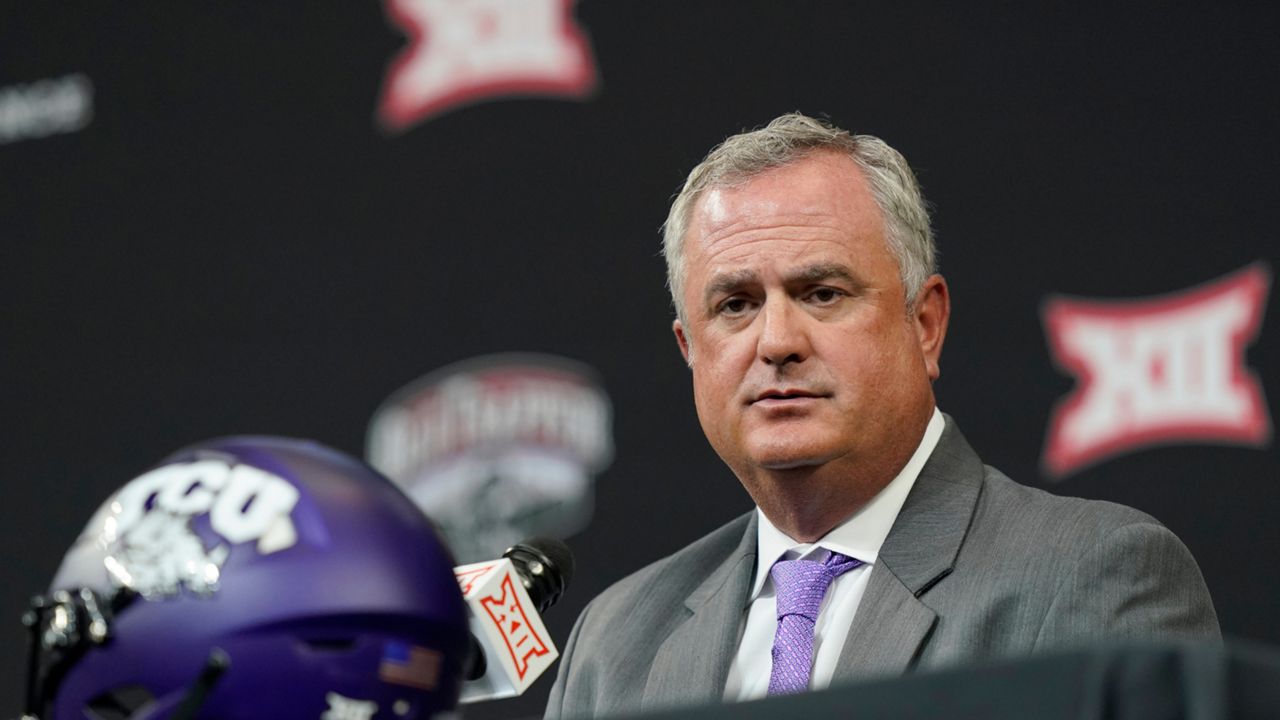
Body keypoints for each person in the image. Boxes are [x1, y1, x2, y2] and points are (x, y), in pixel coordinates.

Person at [543, 113, 1219, 719]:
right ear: (690, 350)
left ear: (924, 324)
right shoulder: (616, 643)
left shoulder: (1093, 577)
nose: (777, 341)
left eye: (822, 293)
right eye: (735, 305)